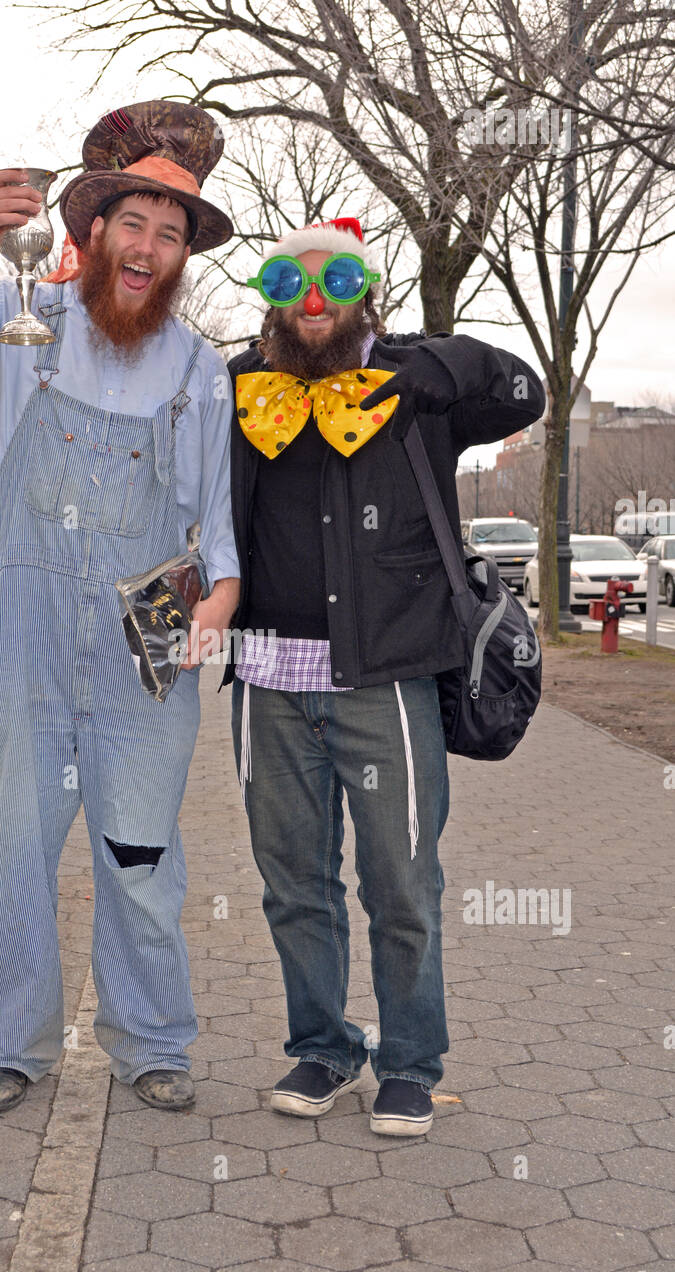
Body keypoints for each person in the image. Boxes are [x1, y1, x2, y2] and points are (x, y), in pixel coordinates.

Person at [0, 101, 240, 1114]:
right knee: (13, 844)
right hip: (22, 617)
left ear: (183, 257)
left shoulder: (200, 369)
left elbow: (213, 521)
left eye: (170, 236)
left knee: (141, 851)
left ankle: (153, 1038)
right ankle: (9, 1039)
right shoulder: (15, 327)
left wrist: (215, 608)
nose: (148, 248)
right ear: (90, 231)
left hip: (153, 622)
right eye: (133, 225)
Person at [221, 217, 544, 1135]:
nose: (313, 300)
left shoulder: (417, 387)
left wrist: (437, 359)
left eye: (334, 281)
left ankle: (410, 1060)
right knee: (292, 882)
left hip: (388, 679)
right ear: (271, 295)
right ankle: (322, 1048)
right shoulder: (239, 386)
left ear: (366, 289)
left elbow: (523, 390)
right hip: (265, 680)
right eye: (292, 282)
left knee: (401, 884)